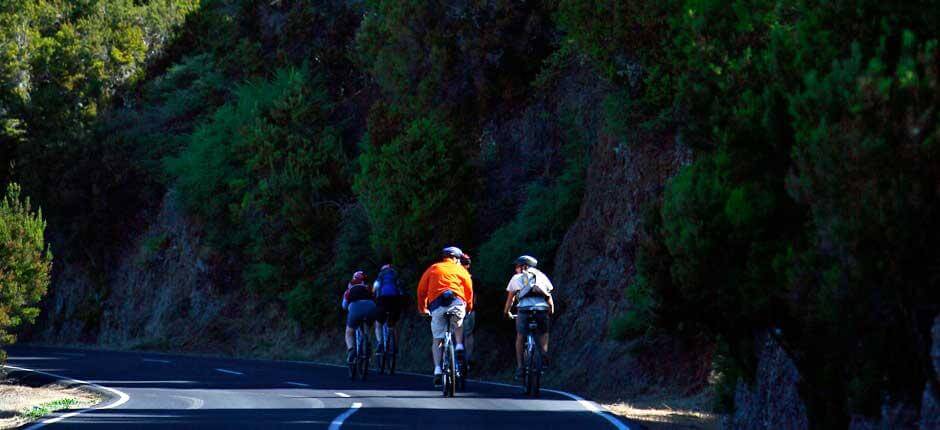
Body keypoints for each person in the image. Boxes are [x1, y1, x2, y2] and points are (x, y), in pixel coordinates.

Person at [417, 246, 474, 386]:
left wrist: (423, 308)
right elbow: (469, 290)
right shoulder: (461, 270)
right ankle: (459, 345)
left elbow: (421, 290)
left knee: (437, 339)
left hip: (437, 306)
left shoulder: (433, 268)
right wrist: (469, 307)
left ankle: (437, 370)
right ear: (456, 258)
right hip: (457, 302)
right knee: (458, 323)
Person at [502, 255, 554, 380]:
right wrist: (551, 310)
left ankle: (520, 367)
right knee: (544, 333)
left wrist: (506, 312)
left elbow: (511, 299)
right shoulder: (542, 276)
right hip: (541, 309)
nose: (516, 269)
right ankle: (543, 355)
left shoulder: (516, 278)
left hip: (524, 310)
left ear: (524, 266)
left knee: (520, 336)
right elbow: (549, 296)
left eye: (517, 266)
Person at [342, 270, 377, 364]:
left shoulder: (349, 289)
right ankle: (368, 346)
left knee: (349, 333)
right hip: (371, 307)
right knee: (367, 329)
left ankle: (351, 350)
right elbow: (375, 298)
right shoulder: (369, 287)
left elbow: (344, 306)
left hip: (355, 308)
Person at [372, 263, 405, 354]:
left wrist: (373, 295)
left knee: (378, 323)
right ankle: (395, 346)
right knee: (394, 324)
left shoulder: (380, 276)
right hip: (395, 301)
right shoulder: (396, 276)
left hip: (382, 300)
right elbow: (401, 291)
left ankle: (380, 343)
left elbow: (375, 287)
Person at [459, 254, 476, 369]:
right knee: (468, 334)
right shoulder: (471, 277)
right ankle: (468, 359)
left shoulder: (452, 275)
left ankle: (455, 353)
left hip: (454, 307)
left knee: (453, 331)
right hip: (469, 308)